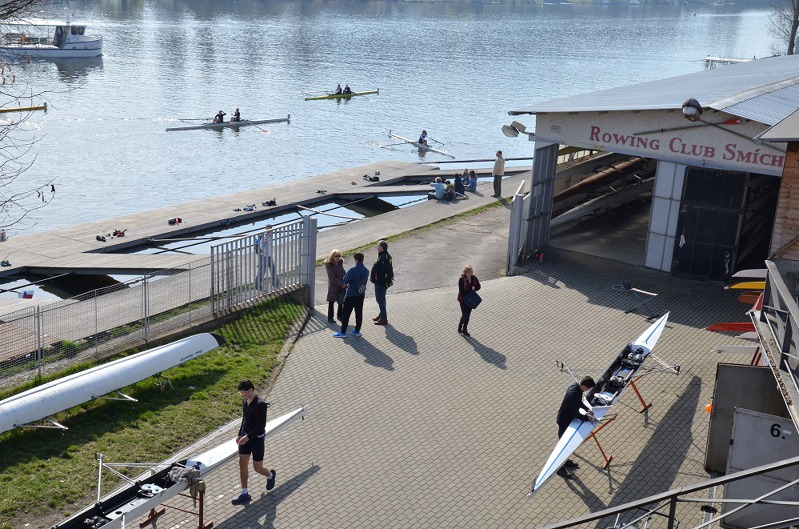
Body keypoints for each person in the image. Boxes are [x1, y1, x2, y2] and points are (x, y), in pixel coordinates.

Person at [231, 379, 277, 505]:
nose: (243, 396)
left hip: (257, 440)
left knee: (257, 468)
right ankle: (245, 493)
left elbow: (261, 426)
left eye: (244, 393)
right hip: (245, 438)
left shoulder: (261, 404)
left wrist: (248, 436)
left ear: (251, 390)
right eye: (241, 394)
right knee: (242, 464)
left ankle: (270, 475)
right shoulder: (245, 402)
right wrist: (240, 434)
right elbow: (244, 420)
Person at [555, 375, 597, 479]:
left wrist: (587, 409)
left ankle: (565, 462)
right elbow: (576, 414)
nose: (588, 390)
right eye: (588, 388)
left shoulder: (576, 388)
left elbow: (579, 403)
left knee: (566, 445)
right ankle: (559, 469)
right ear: (584, 386)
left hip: (566, 420)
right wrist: (587, 418)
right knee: (563, 446)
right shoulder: (574, 394)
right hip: (564, 421)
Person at [334, 252, 370, 337]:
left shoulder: (353, 269)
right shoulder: (366, 270)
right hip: (361, 294)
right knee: (359, 313)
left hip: (351, 295)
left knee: (346, 313)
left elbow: (345, 280)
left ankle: (343, 332)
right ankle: (357, 331)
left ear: (355, 259)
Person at [370, 240, 393, 325]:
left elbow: (386, 270)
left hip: (381, 282)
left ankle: (384, 319)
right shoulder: (384, 255)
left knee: (380, 300)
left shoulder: (384, 258)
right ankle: (381, 314)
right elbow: (390, 269)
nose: (377, 247)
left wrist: (389, 280)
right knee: (381, 299)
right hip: (380, 282)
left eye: (378, 246)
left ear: (381, 248)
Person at [457, 265, 481, 336]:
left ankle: (465, 329)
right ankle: (460, 326)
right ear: (466, 272)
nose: (471, 273)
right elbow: (462, 291)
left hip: (470, 300)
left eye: (472, 271)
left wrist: (475, 288)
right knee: (465, 314)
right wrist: (471, 289)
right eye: (470, 272)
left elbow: (478, 286)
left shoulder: (474, 278)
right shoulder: (461, 279)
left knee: (468, 315)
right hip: (463, 300)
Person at [255, 225, 279, 290]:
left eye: (270, 229)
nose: (270, 231)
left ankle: (275, 283)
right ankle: (257, 285)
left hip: (269, 256)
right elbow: (261, 246)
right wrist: (266, 253)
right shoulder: (265, 236)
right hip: (263, 256)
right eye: (268, 229)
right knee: (262, 271)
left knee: (273, 269)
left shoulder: (270, 236)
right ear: (266, 229)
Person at [325, 249, 346, 323]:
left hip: (341, 285)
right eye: (336, 256)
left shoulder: (340, 263)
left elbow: (343, 272)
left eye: (339, 256)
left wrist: (346, 280)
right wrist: (342, 284)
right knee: (331, 301)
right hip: (333, 286)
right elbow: (332, 278)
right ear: (332, 257)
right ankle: (330, 317)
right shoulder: (329, 265)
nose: (338, 257)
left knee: (340, 301)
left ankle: (340, 316)